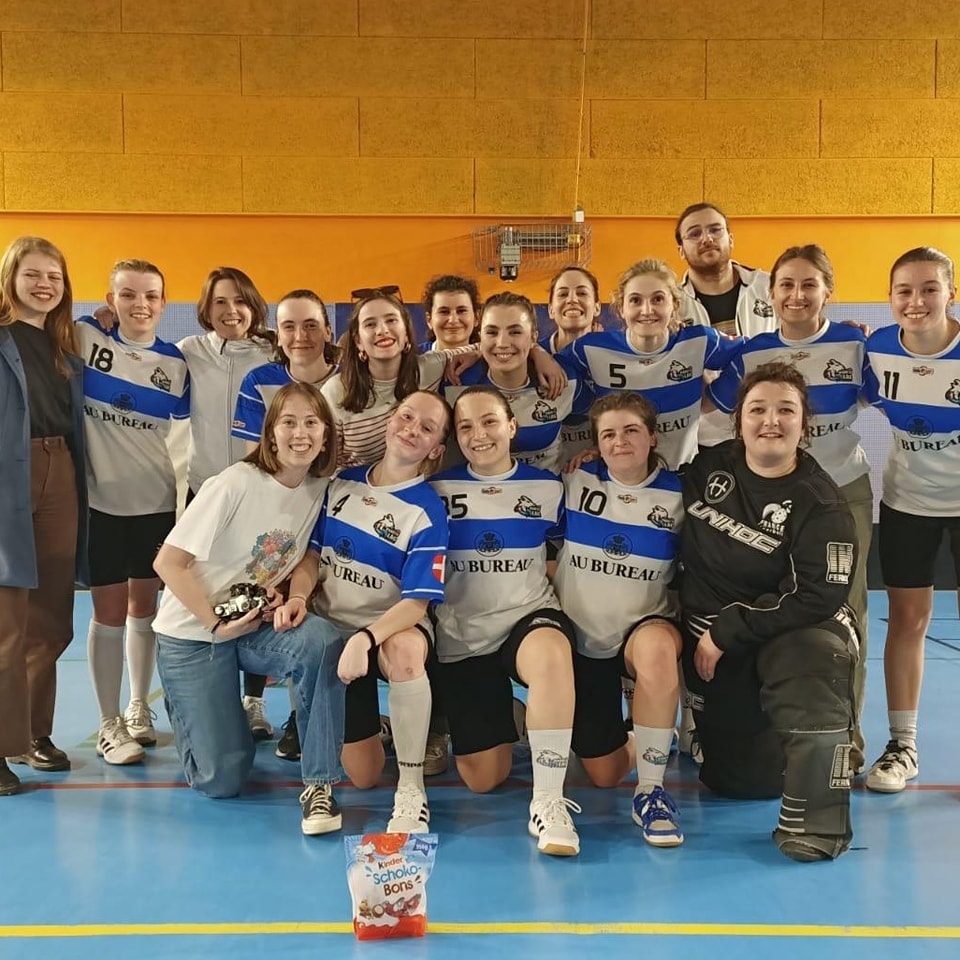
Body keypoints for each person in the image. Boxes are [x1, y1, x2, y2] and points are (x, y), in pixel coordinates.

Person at [680, 361, 858, 862]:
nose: (771, 421)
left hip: (791, 629)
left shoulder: (820, 503)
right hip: (717, 640)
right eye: (757, 409)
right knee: (739, 782)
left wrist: (730, 627)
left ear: (805, 423)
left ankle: (818, 821)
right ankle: (761, 745)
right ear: (739, 421)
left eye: (786, 410)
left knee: (813, 655)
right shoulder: (709, 468)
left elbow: (817, 597)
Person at [152, 383, 344, 834]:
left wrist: (294, 597)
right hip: (194, 635)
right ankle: (205, 715)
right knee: (221, 779)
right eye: (289, 422)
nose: (300, 433)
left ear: (326, 435)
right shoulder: (233, 483)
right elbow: (168, 563)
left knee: (320, 641)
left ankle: (319, 784)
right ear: (270, 433)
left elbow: (308, 556)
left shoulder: (319, 488)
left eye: (311, 423)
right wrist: (214, 624)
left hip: (251, 626)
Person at [707, 245, 872, 769]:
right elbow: (706, 405)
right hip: (770, 497)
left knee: (846, 610)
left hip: (841, 490)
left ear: (828, 291)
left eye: (808, 284)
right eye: (786, 285)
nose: (797, 295)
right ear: (771, 293)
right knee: (772, 602)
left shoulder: (856, 345)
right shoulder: (749, 354)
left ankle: (846, 736)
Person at [286, 390, 451, 832]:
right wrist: (299, 597)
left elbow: (416, 602)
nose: (411, 429)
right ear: (390, 420)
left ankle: (412, 789)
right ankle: (389, 723)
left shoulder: (428, 511)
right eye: (406, 417)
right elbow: (311, 557)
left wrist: (365, 637)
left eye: (427, 428)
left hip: (390, 629)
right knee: (363, 775)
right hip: (335, 634)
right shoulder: (341, 483)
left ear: (436, 449)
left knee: (405, 652)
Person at [430, 385, 581, 854]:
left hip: (528, 616)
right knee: (483, 778)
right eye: (466, 426)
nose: (479, 435)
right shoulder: (437, 490)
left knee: (551, 653)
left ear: (511, 427)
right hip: (463, 635)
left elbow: (573, 549)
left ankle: (549, 801)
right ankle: (519, 717)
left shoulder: (549, 487)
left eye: (490, 421)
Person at [554, 392, 685, 846]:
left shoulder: (680, 494)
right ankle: (648, 734)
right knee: (604, 774)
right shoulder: (573, 481)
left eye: (631, 430)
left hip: (643, 626)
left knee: (658, 651)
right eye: (608, 434)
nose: (620, 441)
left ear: (653, 437)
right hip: (583, 639)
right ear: (595, 444)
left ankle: (652, 790)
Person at [77, 260, 190, 765]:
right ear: (110, 299)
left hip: (155, 504)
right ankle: (109, 723)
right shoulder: (85, 338)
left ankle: (139, 707)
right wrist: (92, 319)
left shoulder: (177, 364)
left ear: (164, 303)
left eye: (150, 295)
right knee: (107, 612)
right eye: (127, 294)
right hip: (99, 505)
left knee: (143, 608)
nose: (139, 304)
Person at [862, 247, 960, 793]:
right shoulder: (877, 350)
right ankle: (903, 746)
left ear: (951, 293)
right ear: (890, 298)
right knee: (907, 622)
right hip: (907, 504)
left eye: (929, 289)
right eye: (904, 290)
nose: (916, 300)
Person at [1, 236, 88, 795]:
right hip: (9, 476)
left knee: (52, 618)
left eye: (53, 276)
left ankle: (35, 733)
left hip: (61, 472)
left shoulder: (65, 349)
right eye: (32, 274)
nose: (44, 284)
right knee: (6, 623)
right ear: (10, 278)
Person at [232, 288, 337, 746]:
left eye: (311, 325)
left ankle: (305, 715)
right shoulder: (260, 380)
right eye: (289, 326)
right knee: (270, 598)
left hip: (334, 509)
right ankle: (254, 701)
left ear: (328, 330)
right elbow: (253, 457)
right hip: (280, 510)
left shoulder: (347, 380)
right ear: (277, 333)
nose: (300, 335)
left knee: (314, 609)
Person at [559, 258, 742, 470]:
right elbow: (555, 370)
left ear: (674, 305)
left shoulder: (698, 341)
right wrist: (539, 354)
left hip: (682, 476)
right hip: (620, 477)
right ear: (621, 308)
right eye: (635, 300)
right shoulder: (592, 348)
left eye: (658, 299)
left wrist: (715, 398)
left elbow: (750, 353)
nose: (647, 310)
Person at [442, 292, 590, 474]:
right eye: (492, 332)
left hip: (548, 487)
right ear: (480, 337)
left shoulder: (564, 378)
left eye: (515, 332)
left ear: (533, 337)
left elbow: (587, 430)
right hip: (478, 488)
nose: (502, 343)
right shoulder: (456, 382)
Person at [674, 202, 777, 449]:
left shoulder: (770, 287)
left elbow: (803, 335)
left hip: (771, 430)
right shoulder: (670, 305)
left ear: (730, 239)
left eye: (715, 230)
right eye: (694, 233)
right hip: (704, 442)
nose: (706, 238)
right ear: (681, 250)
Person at [542, 265, 604, 465]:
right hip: (548, 469)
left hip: (599, 464)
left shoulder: (613, 353)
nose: (572, 299)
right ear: (551, 309)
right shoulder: (531, 355)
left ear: (597, 307)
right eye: (562, 294)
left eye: (582, 293)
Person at [418, 275, 481, 352]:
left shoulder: (489, 358)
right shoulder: (412, 357)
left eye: (461, 311)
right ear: (429, 319)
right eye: (444, 312)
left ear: (476, 317)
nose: (453, 320)